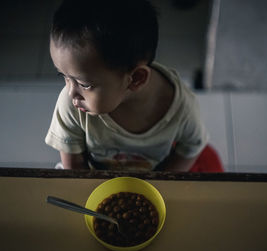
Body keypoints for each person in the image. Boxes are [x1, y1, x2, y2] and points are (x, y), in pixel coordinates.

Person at [45, 0, 209, 171]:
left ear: (136, 79)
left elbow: (191, 147)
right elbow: (74, 169)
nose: (71, 93)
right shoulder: (72, 106)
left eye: (84, 84)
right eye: (63, 76)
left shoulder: (182, 107)